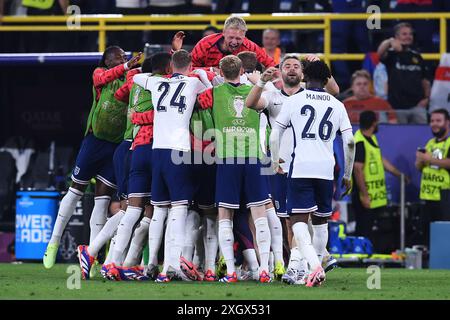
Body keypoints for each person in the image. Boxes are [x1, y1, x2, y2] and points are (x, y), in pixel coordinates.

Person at [43, 47, 142, 269]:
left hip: (115, 147)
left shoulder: (129, 76)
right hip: (94, 141)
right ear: (107, 61)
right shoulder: (99, 75)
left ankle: (92, 255)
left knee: (103, 200)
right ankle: (54, 241)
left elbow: (127, 89)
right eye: (117, 58)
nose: (122, 61)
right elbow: (105, 77)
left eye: (124, 58)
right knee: (75, 190)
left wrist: (136, 71)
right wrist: (126, 66)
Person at [245, 54, 340, 285]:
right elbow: (250, 104)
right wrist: (261, 82)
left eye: (296, 66)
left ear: (303, 73)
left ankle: (302, 265)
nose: (291, 69)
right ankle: (311, 261)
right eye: (286, 65)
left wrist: (320, 64)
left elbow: (335, 90)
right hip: (280, 167)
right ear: (279, 70)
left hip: (305, 166)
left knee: (304, 219)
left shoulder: (312, 97)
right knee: (290, 220)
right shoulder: (273, 96)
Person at [269, 60, 356, 287]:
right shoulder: (337, 105)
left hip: (300, 168)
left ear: (305, 77)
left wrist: (275, 159)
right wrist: (347, 174)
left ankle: (315, 268)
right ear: (328, 80)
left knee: (297, 222)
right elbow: (350, 142)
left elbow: (274, 134)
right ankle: (310, 268)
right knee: (320, 223)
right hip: (326, 170)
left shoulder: (294, 100)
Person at [133, 49, 211, 283]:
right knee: (178, 209)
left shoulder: (156, 83)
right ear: (189, 66)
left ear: (170, 67)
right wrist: (201, 74)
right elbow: (210, 92)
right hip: (179, 151)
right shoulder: (193, 82)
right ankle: (170, 267)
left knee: (159, 210)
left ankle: (150, 267)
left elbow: (137, 76)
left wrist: (137, 68)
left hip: (157, 150)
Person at [197, 55, 273, 283]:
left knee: (225, 217)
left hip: (227, 159)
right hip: (253, 157)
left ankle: (230, 271)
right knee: (259, 216)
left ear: (220, 71)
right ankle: (264, 270)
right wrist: (259, 81)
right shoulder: (258, 92)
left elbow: (198, 81)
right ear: (242, 70)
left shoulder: (212, 93)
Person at [353, 111, 408, 248]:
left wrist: (398, 174)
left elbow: (379, 159)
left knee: (373, 231)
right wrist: (365, 195)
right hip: (365, 197)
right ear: (374, 123)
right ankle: (361, 263)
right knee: (364, 230)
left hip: (374, 197)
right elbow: (358, 169)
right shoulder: (360, 141)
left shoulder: (371, 138)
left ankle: (370, 257)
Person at [377, 22, 431, 124]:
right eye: (404, 34)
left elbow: (425, 80)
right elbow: (379, 53)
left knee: (422, 136)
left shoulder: (417, 56)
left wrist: (426, 99)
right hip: (397, 107)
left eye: (410, 34)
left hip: (417, 107)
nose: (408, 36)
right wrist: (390, 41)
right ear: (397, 36)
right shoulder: (391, 55)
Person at [189, 16, 275, 69]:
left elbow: (271, 64)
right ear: (223, 32)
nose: (234, 42)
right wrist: (210, 71)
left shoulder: (249, 46)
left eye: (238, 39)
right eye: (231, 37)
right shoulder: (205, 44)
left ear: (244, 36)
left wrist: (263, 81)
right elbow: (188, 68)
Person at [416, 109, 450, 243]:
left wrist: (428, 159)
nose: (434, 124)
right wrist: (419, 161)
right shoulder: (430, 143)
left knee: (444, 234)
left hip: (444, 196)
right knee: (426, 234)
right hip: (427, 195)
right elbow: (420, 168)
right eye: (432, 121)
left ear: (447, 123)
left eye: (438, 121)